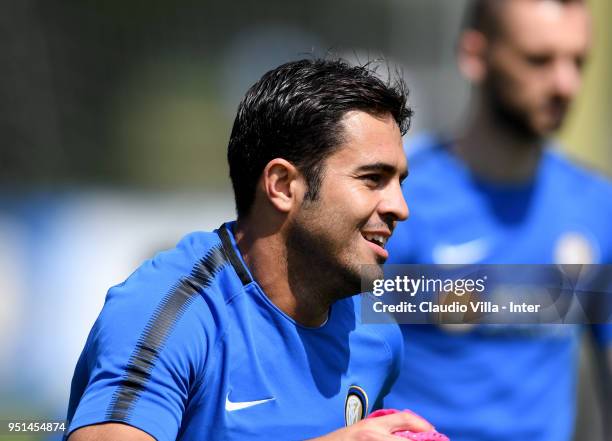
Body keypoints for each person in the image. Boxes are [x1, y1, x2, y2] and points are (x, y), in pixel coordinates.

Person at [64, 58, 436, 441]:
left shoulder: (377, 338)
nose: (400, 208)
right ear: (282, 185)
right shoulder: (170, 313)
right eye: (373, 178)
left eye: (399, 182)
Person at [384, 0, 612, 440]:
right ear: (475, 56)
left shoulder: (595, 207)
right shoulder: (397, 201)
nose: (566, 83)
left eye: (578, 61)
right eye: (539, 60)